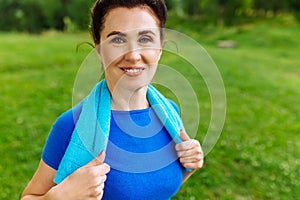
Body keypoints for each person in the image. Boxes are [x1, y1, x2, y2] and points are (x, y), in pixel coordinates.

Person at [21, 0, 203, 199]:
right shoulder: (70, 126)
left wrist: (189, 166)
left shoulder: (169, 113)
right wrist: (60, 197)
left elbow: (155, 190)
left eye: (145, 39)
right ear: (99, 50)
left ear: (159, 49)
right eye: (118, 40)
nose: (133, 56)